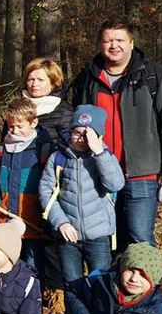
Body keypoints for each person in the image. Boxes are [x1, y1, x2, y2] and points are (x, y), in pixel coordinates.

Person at [68, 20, 162, 251]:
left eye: (120, 40)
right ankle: (113, 286)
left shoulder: (155, 76)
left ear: (131, 44)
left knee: (140, 239)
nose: (114, 46)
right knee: (105, 240)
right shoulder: (86, 79)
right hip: (97, 174)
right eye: (108, 40)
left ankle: (148, 287)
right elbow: (74, 123)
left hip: (140, 175)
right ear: (100, 44)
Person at [38, 105, 126, 290]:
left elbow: (115, 184)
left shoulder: (105, 157)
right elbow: (46, 191)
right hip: (68, 235)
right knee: (72, 284)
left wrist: (99, 153)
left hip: (99, 235)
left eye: (87, 134)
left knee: (101, 283)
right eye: (77, 133)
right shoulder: (59, 158)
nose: (81, 139)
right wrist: (60, 222)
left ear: (98, 136)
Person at [0, 98, 51, 279]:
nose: (15, 131)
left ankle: (34, 301)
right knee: (4, 264)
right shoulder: (1, 150)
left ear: (33, 122)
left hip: (32, 221)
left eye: (20, 126)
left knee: (32, 264)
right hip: (5, 219)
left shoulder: (42, 149)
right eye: (11, 126)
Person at [19, 57, 73, 146]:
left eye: (40, 80)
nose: (34, 84)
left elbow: (70, 147)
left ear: (53, 83)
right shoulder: (17, 107)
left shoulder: (65, 111)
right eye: (30, 80)